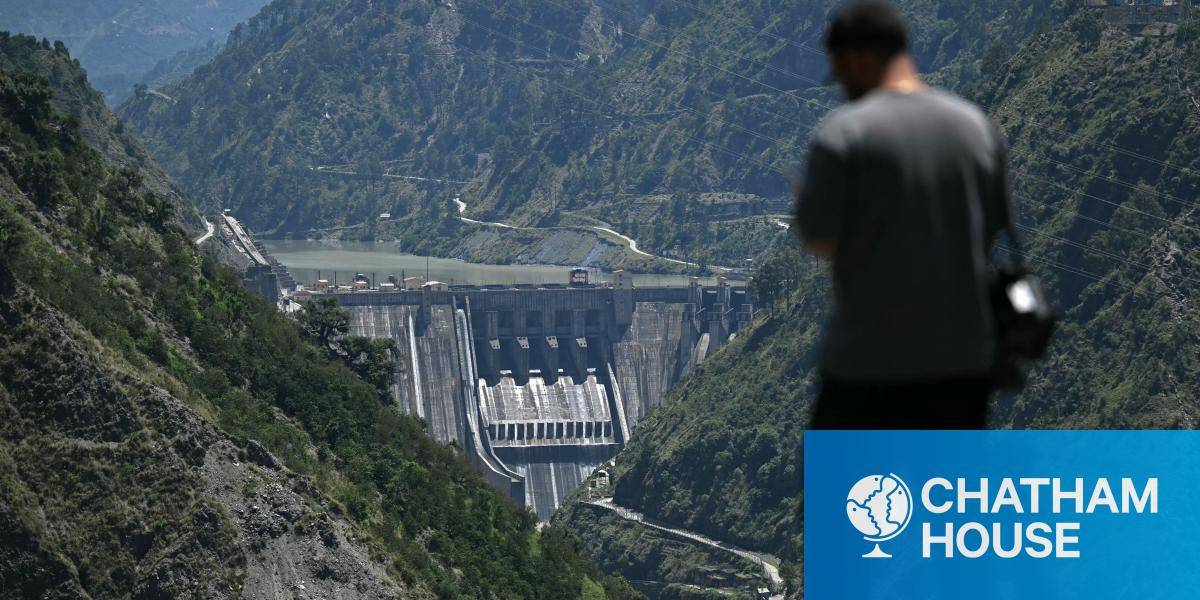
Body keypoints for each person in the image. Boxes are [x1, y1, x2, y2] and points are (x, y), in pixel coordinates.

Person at [795, 0, 1012, 429]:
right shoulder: (978, 129)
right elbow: (989, 232)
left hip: (869, 369)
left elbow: (819, 238)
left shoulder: (844, 133)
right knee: (941, 491)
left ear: (856, 61)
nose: (842, 86)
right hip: (962, 373)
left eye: (840, 73)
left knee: (843, 493)